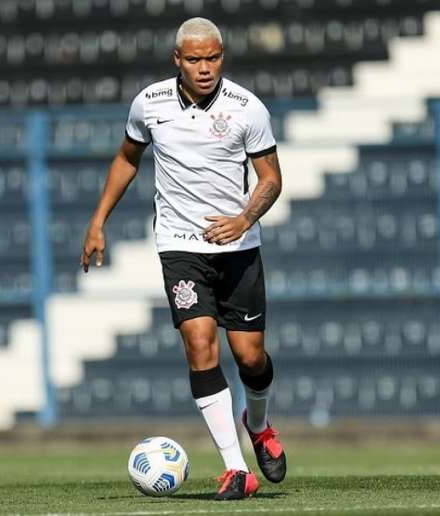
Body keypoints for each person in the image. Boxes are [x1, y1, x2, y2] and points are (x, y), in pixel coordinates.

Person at [80, 17, 286, 501]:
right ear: (177, 59)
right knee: (198, 342)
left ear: (222, 57)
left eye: (213, 57)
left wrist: (243, 217)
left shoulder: (246, 109)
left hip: (238, 247)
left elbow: (271, 178)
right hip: (179, 245)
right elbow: (127, 158)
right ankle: (237, 470)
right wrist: (97, 222)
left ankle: (258, 424)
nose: (205, 67)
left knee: (251, 358)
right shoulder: (148, 104)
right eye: (194, 59)